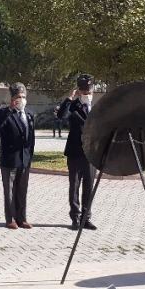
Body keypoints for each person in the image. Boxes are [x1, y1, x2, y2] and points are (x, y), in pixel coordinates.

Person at [57, 74, 98, 231]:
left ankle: (86, 218)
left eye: (89, 92)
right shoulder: (73, 106)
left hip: (91, 153)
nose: (87, 94)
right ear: (79, 91)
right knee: (74, 185)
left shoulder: (97, 108)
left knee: (89, 186)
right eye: (84, 92)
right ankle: (75, 217)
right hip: (75, 152)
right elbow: (61, 116)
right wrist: (69, 98)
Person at [0, 82, 35, 229]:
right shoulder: (5, 113)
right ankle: (10, 218)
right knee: (9, 190)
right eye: (18, 97)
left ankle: (22, 218)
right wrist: (10, 109)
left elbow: (31, 137)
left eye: (23, 96)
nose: (21, 99)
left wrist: (30, 155)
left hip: (25, 158)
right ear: (12, 99)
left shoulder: (29, 114)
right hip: (10, 158)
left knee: (22, 190)